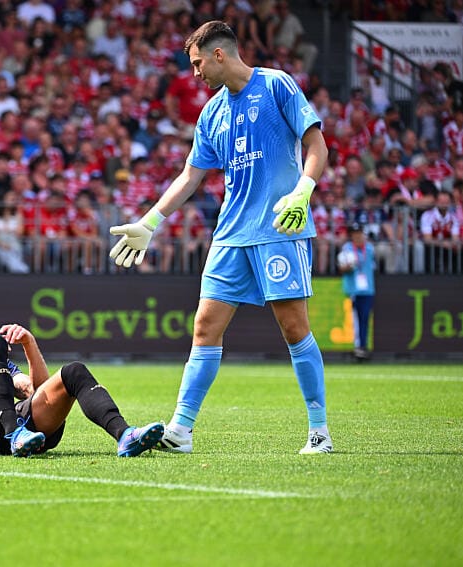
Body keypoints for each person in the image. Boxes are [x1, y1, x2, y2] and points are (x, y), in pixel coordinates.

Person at [108, 21, 332, 455]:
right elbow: (192, 175)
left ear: (218, 55)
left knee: (293, 328)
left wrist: (303, 190)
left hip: (277, 229)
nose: (194, 74)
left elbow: (316, 144)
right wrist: (150, 221)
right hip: (230, 235)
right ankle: (181, 430)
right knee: (204, 327)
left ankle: (319, 431)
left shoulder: (276, 85)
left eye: (196, 64)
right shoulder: (212, 112)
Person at [0, 299, 164, 457]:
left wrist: (29, 344)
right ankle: (15, 433)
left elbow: (36, 392)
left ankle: (125, 435)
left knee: (73, 371)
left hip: (9, 429)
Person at [337, 223, 376, 361]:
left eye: (360, 233)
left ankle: (363, 346)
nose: (358, 236)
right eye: (355, 233)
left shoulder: (370, 249)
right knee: (356, 319)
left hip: (368, 289)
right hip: (353, 289)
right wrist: (347, 267)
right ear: (351, 235)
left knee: (365, 317)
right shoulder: (347, 249)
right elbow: (341, 269)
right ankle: (359, 347)